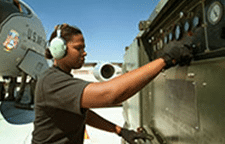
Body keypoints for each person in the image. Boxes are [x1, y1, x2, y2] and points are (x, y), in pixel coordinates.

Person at [32, 23, 193, 144]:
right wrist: (164, 60)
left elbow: (83, 114)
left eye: (84, 48)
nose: (85, 52)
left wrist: (120, 131)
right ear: (58, 50)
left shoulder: (60, 78)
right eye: (78, 48)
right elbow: (109, 95)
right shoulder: (51, 81)